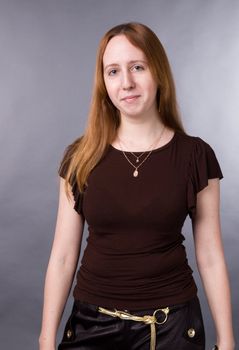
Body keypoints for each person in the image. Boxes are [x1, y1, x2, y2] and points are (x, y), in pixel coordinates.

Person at [39, 22, 235, 350]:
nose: (126, 83)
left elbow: (211, 254)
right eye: (113, 71)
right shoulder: (79, 157)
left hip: (171, 327)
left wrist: (227, 340)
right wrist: (46, 339)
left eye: (137, 67)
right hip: (90, 326)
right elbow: (62, 255)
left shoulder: (195, 156)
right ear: (103, 82)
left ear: (157, 71)